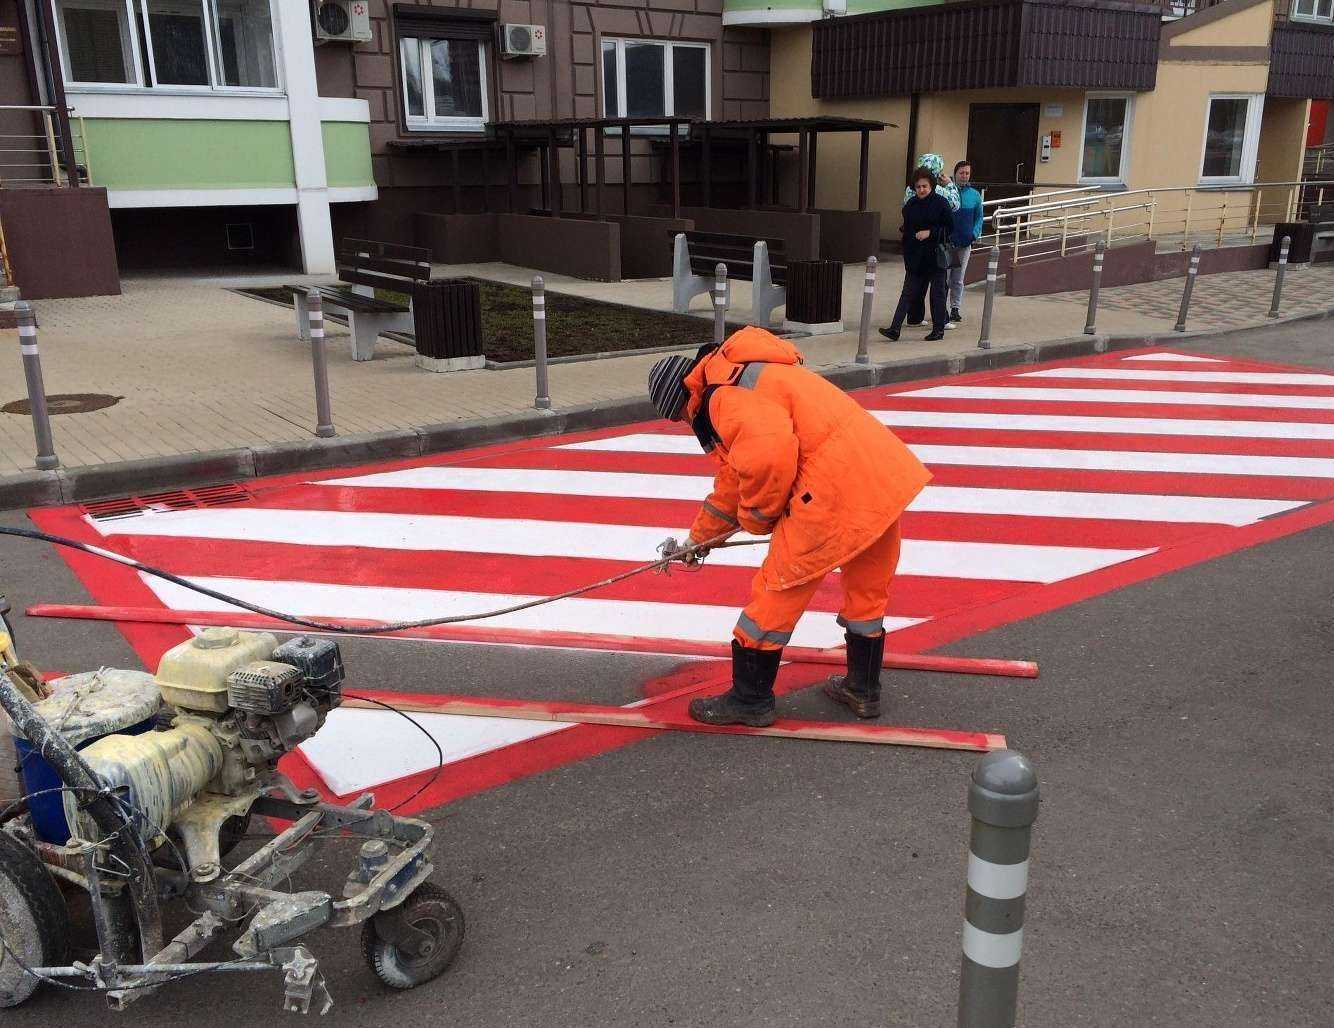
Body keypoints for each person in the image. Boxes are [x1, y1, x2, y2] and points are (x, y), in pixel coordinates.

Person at [646, 330, 932, 727]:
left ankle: (750, 699)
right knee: (867, 590)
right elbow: (734, 477)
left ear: (680, 401)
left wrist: (758, 518)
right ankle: (862, 689)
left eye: (677, 416)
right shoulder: (746, 372)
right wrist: (700, 538)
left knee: (776, 590)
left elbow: (766, 460)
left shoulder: (722, 397)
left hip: (830, 490)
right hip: (878, 476)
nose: (685, 423)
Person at [880, 165, 955, 343]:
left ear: (932, 186)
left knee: (937, 293)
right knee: (908, 292)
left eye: (925, 186)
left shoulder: (941, 203)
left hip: (936, 255)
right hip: (916, 256)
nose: (921, 190)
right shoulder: (910, 205)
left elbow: (949, 227)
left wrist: (930, 232)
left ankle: (938, 330)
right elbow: (907, 230)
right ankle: (894, 329)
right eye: (918, 186)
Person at [903, 152, 960, 328]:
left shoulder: (910, 189)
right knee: (939, 286)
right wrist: (950, 185)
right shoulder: (938, 189)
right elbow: (955, 205)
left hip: (914, 244)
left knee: (915, 283)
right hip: (935, 246)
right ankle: (942, 320)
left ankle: (914, 317)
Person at [948, 160, 985, 325]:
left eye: (967, 173)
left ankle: (955, 308)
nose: (964, 176)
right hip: (947, 243)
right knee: (944, 279)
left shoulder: (975, 195)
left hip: (965, 242)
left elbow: (979, 218)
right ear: (955, 173)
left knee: (958, 278)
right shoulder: (948, 192)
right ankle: (940, 308)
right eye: (961, 173)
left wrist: (974, 234)